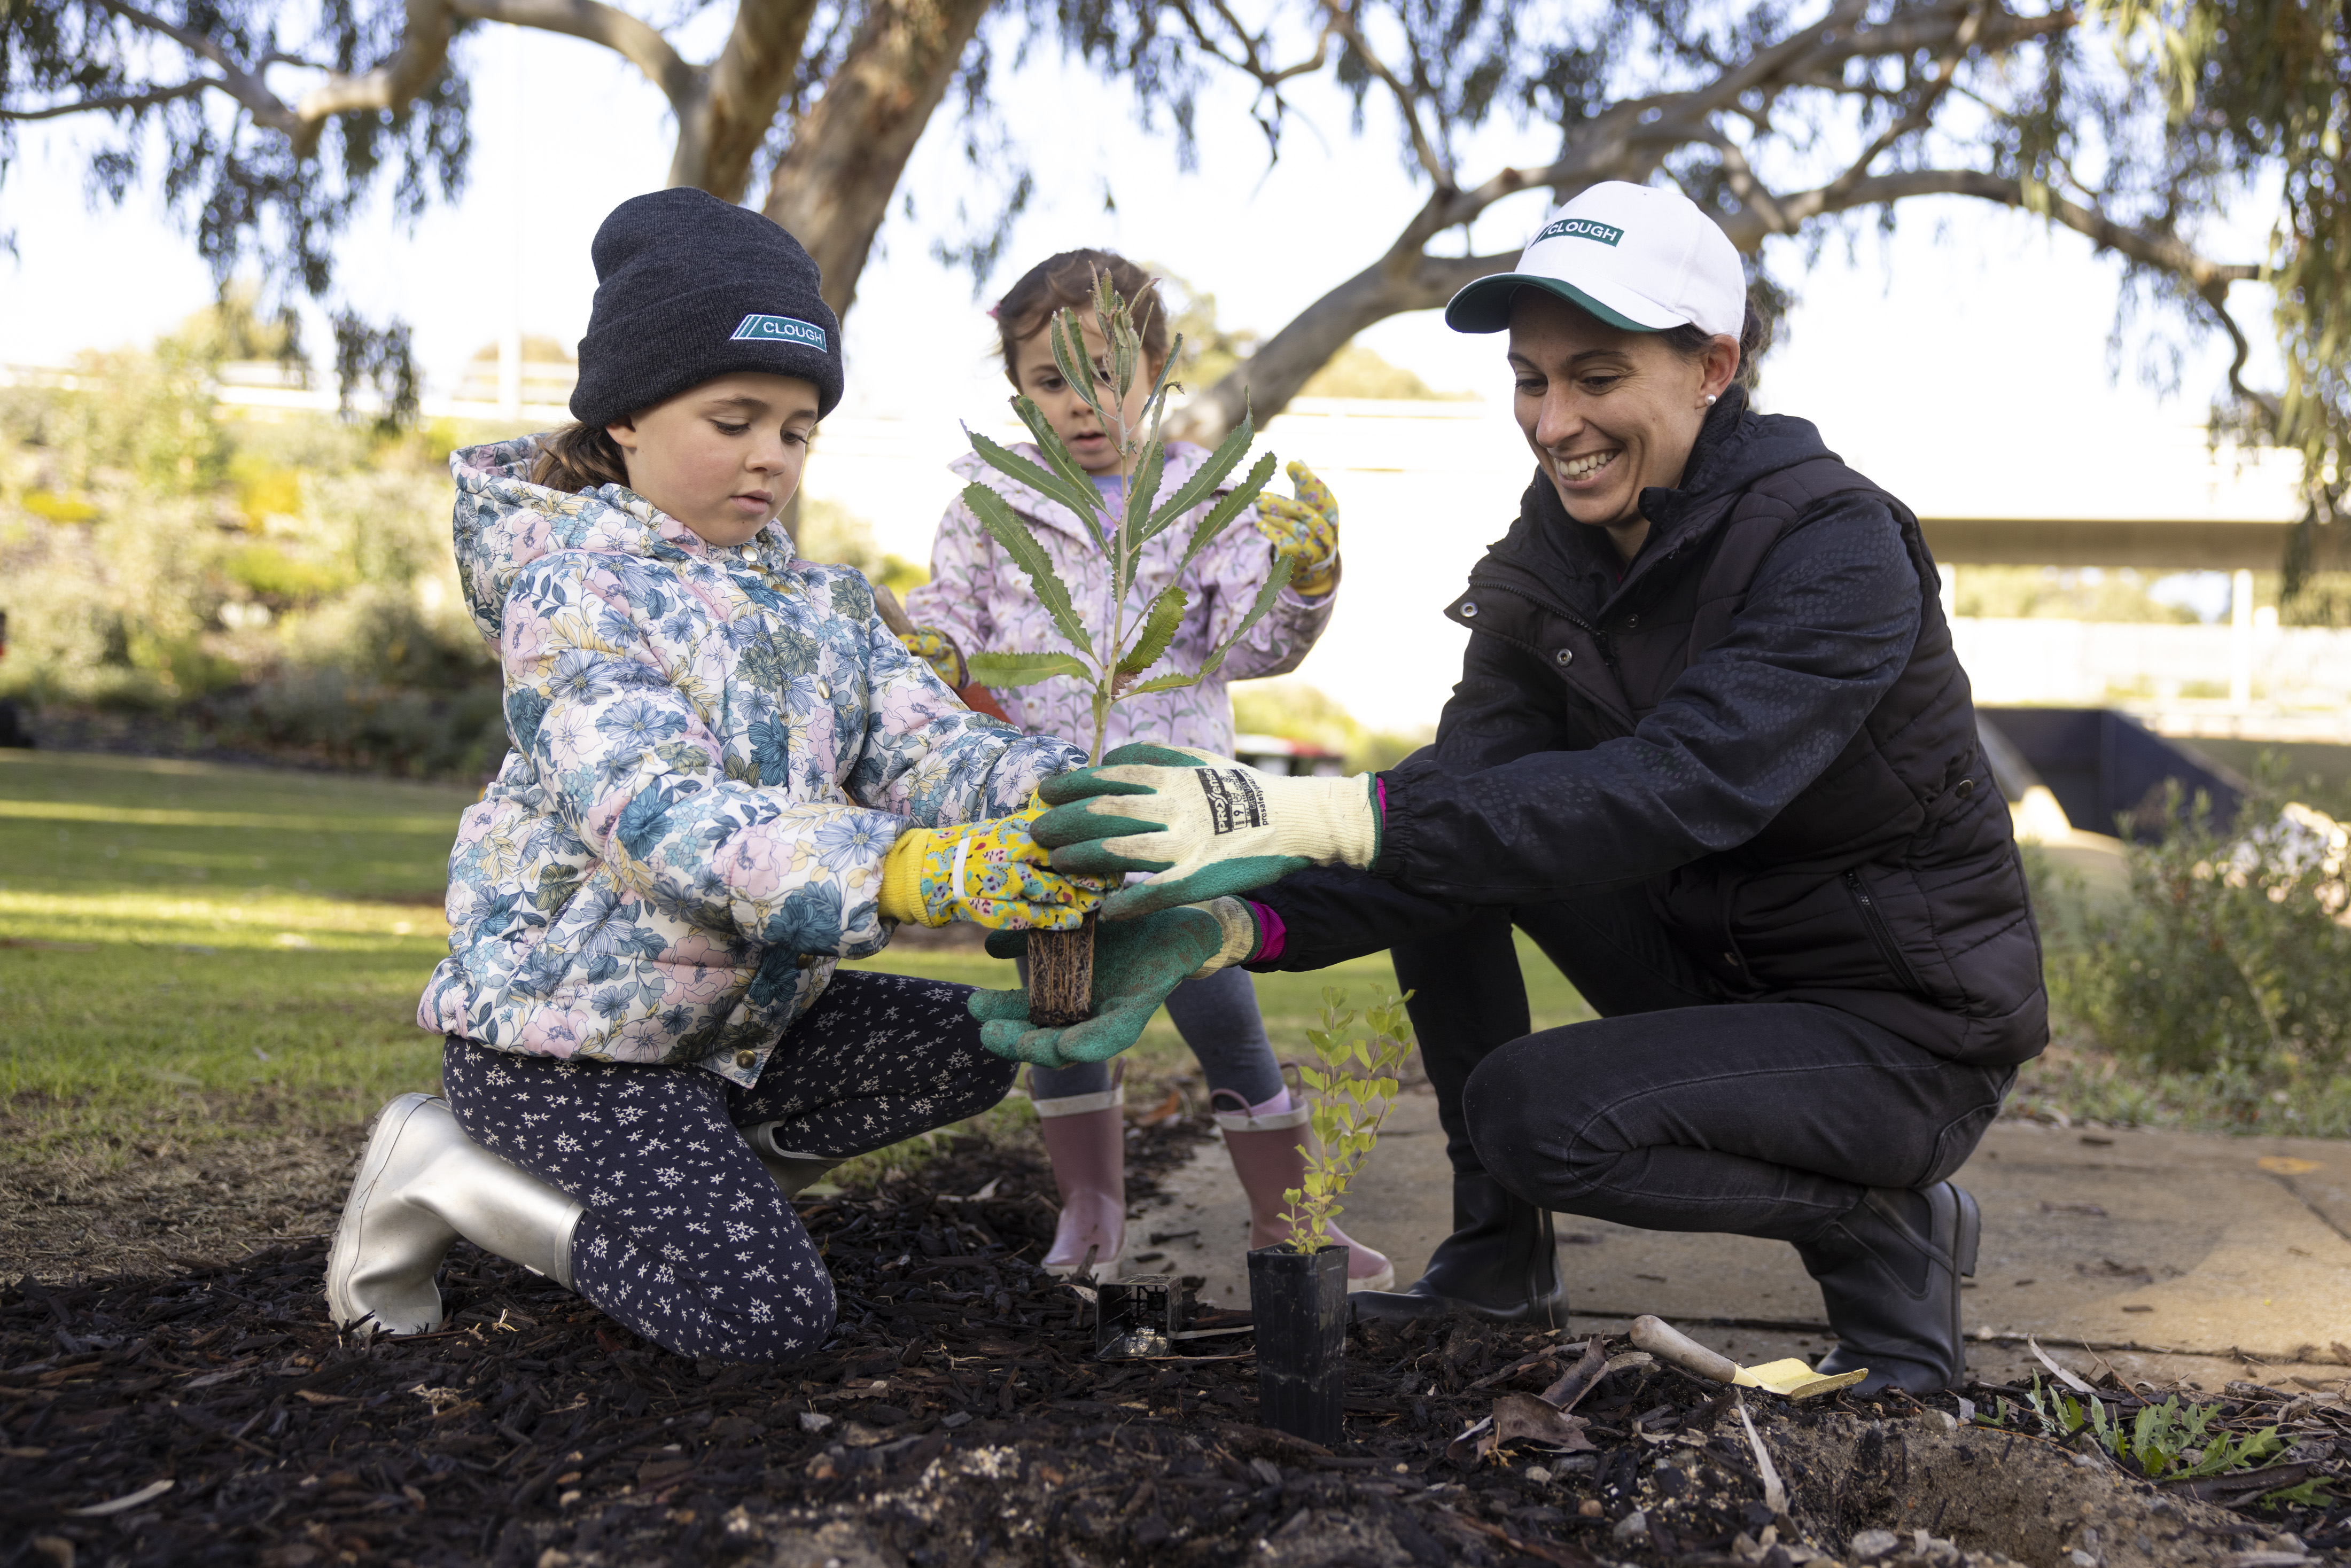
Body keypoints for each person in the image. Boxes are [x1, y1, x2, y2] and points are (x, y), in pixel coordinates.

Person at [991, 182, 2046, 1395]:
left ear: (1712, 363)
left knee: (1535, 1111)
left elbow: (1682, 785)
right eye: (1530, 379)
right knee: (1456, 848)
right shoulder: (1554, 549)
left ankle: (1884, 1240)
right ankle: (1498, 1265)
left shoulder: (1836, 546)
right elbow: (1463, 793)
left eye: (1595, 377)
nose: (1553, 422)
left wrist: (1316, 811)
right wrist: (1236, 924)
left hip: (1897, 1028)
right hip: (1712, 969)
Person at [323, 189, 1109, 1363]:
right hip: (567, 1050)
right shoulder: (570, 594)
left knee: (987, 1040)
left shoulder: (823, 604)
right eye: (735, 418)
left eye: (796, 431)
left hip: (726, 1037)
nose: (769, 458)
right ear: (628, 417)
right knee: (761, 1318)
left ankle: (702, 1193)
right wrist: (898, 868)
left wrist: (1086, 800)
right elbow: (660, 815)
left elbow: (933, 748)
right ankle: (445, 1176)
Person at [896, 248, 1392, 1290]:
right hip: (1052, 817)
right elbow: (953, 621)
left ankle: (1288, 1221)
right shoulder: (991, 505)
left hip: (1175, 824)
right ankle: (1089, 1210)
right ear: (1018, 394)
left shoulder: (1200, 499)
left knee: (1224, 1012)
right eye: (1049, 381)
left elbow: (1256, 641)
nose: (1084, 405)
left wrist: (1307, 578)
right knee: (1064, 1018)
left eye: (1107, 374)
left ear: (1156, 369)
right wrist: (933, 656)